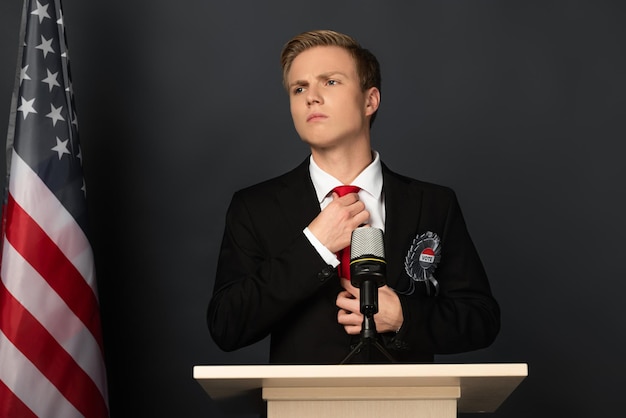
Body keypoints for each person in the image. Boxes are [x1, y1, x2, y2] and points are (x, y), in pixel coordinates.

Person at [207, 29, 500, 364]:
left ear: (369, 101)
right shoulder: (255, 208)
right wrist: (314, 246)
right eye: (298, 88)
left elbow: (482, 320)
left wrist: (405, 317)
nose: (311, 97)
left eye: (330, 82)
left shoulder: (434, 204)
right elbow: (226, 325)